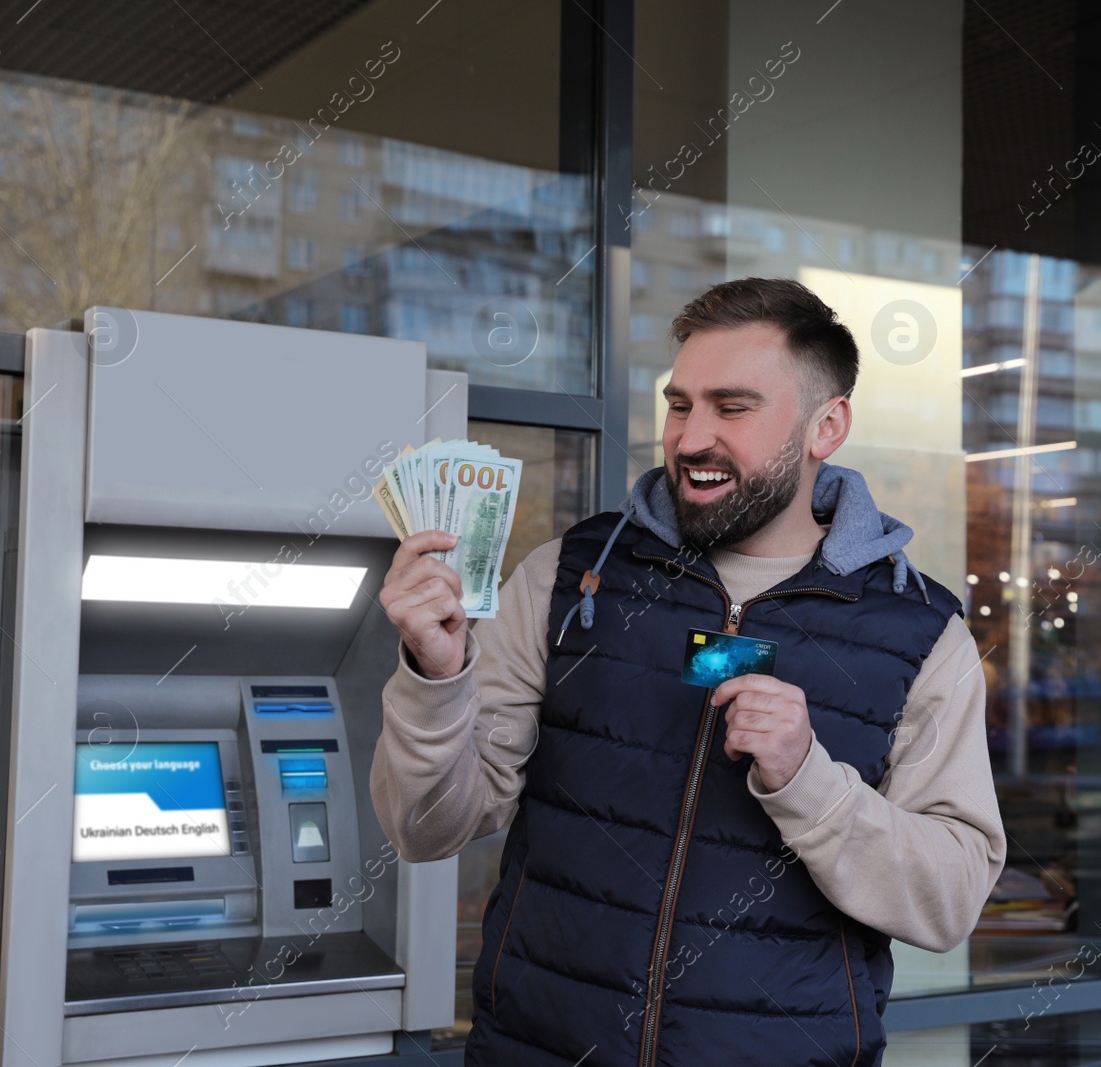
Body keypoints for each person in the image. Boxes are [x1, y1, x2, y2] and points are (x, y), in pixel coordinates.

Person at [370, 277, 1006, 1067]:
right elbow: (426, 827)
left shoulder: (922, 635)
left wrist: (810, 780)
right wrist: (436, 678)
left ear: (826, 426)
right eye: (680, 405)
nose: (692, 437)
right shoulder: (567, 579)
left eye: (732, 408)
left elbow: (949, 900)